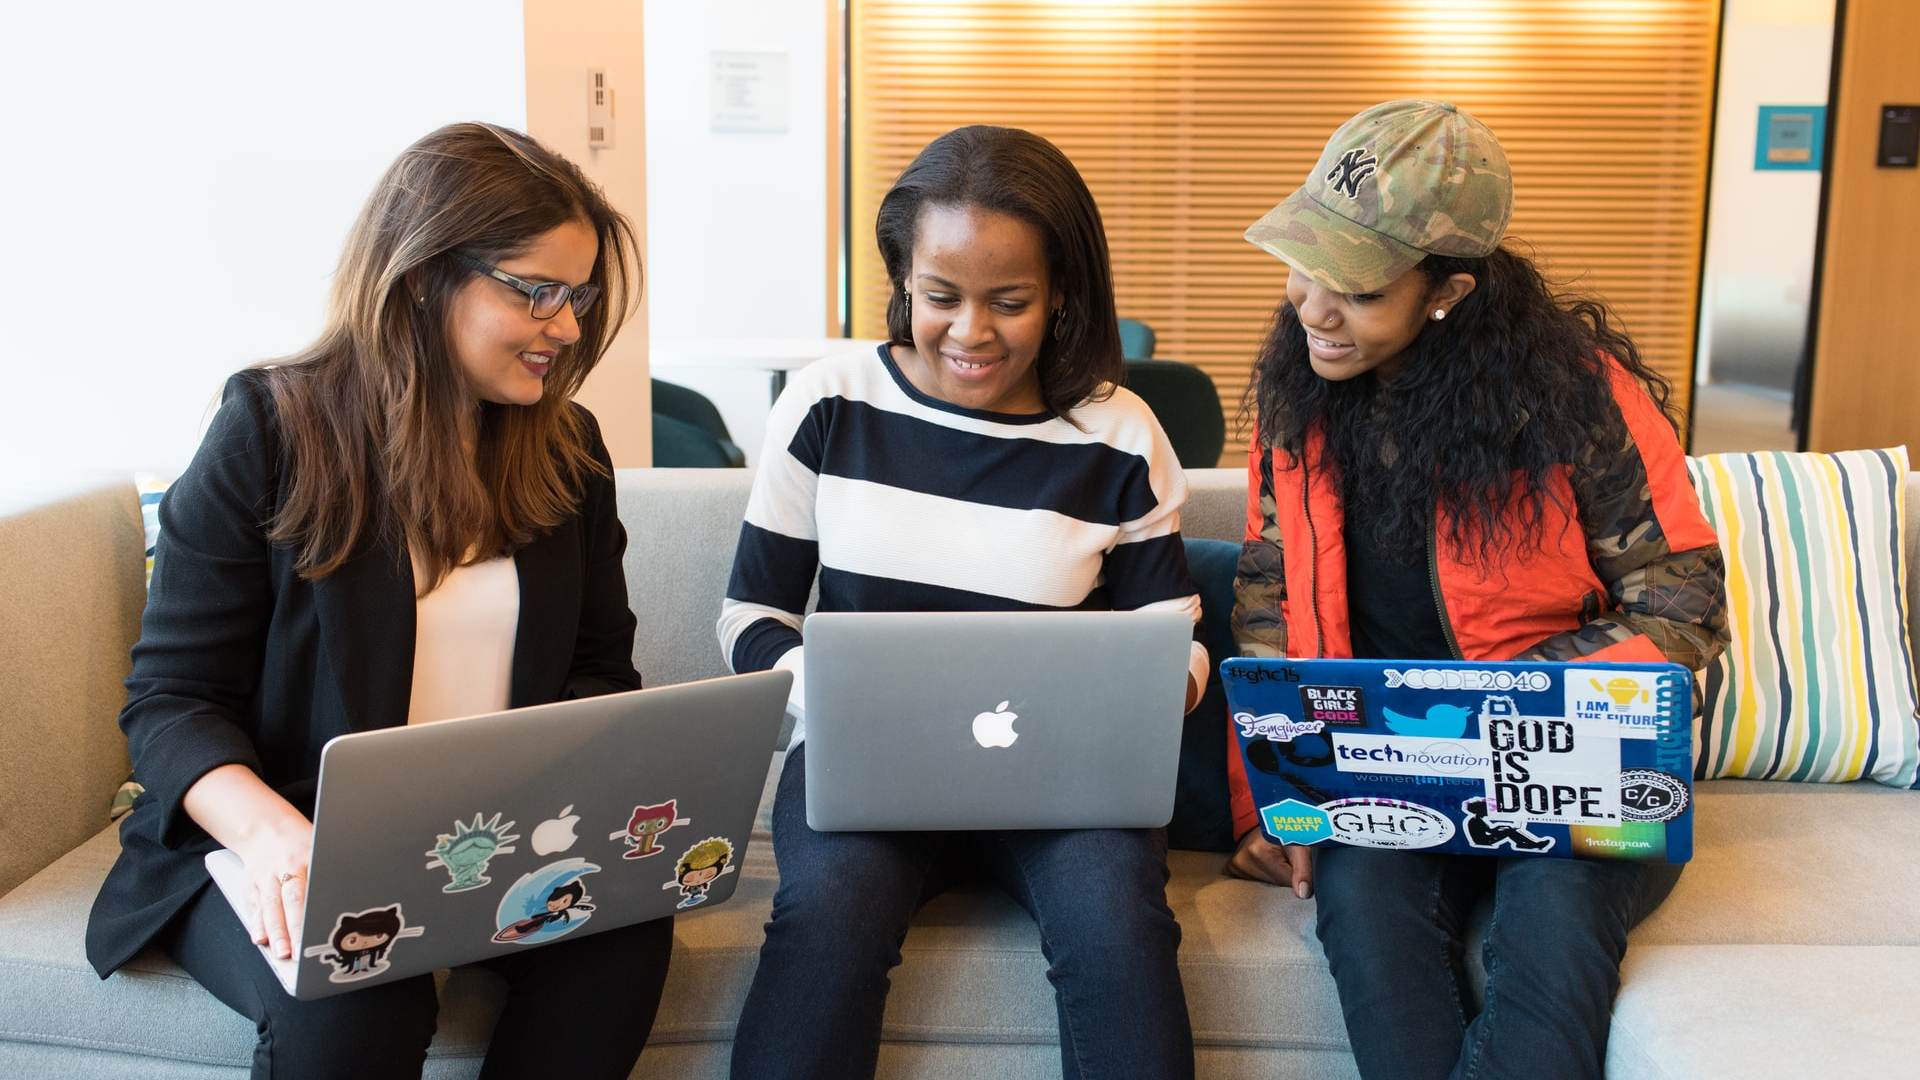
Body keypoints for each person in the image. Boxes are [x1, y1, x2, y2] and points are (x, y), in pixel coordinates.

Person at [84, 122, 671, 1080]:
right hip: (280, 837)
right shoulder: (269, 428)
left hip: (490, 841)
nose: (567, 327)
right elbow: (172, 702)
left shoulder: (569, 452)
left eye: (579, 296)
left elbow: (599, 671)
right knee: (362, 994)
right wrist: (278, 839)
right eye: (537, 291)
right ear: (423, 278)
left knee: (621, 947)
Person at [1225, 100, 1729, 1080]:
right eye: (1304, 266)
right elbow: (1267, 600)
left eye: (1358, 289)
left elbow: (1684, 605)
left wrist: (1500, 705)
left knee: (1554, 930)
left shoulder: (1579, 401)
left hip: (1575, 762)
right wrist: (1271, 803)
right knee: (1367, 924)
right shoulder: (1298, 401)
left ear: (1448, 290)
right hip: (1379, 772)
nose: (1313, 307)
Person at [718, 124, 1206, 1080]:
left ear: (1062, 293)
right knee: (827, 916)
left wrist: (1155, 695)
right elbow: (751, 619)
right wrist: (835, 692)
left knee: (1118, 923)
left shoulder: (1118, 432)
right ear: (902, 277)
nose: (971, 333)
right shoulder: (829, 403)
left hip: (1068, 783)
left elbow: (1173, 638)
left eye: (1009, 302)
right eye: (940, 296)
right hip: (865, 768)